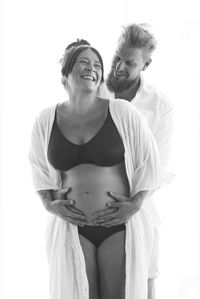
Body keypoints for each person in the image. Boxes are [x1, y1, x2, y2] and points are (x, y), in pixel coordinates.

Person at [29, 39, 162, 299]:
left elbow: (150, 162)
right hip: (72, 228)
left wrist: (136, 204)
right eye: (84, 62)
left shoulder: (122, 112)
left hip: (118, 227)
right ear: (66, 72)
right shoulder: (45, 120)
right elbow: (38, 171)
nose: (93, 68)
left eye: (97, 64)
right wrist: (48, 204)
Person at [97, 23, 174, 299]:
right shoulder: (94, 92)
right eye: (116, 57)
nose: (118, 66)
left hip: (138, 208)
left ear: (146, 64)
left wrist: (136, 203)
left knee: (144, 285)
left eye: (129, 62)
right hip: (94, 211)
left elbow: (159, 167)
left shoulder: (159, 106)